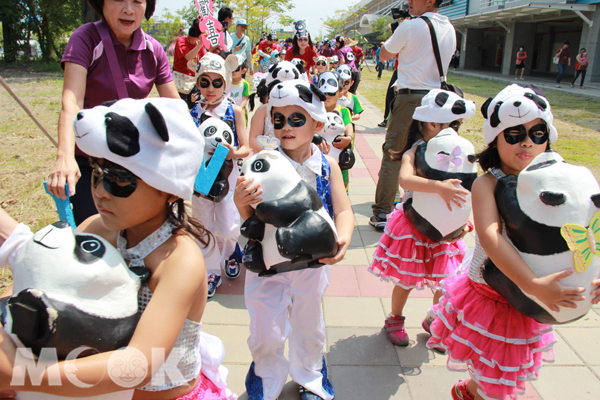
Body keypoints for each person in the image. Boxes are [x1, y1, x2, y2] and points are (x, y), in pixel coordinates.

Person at [0, 98, 236, 399]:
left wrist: (21, 374)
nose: (99, 191)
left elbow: (138, 364)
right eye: (97, 174)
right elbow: (47, 280)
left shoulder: (179, 259)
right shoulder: (97, 228)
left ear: (167, 186)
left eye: (119, 180)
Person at [426, 84, 600, 400]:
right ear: (495, 137)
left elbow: (587, 231)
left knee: (500, 370)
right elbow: (490, 238)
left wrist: (591, 278)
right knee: (498, 379)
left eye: (537, 134)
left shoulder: (557, 181)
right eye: (515, 133)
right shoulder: (487, 183)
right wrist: (531, 283)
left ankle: (470, 391)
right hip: (493, 295)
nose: (527, 142)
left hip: (535, 296)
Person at [234, 78, 354, 400]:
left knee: (309, 327)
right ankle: (265, 379)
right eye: (279, 119)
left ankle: (311, 377)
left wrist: (342, 239)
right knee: (265, 332)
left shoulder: (326, 165)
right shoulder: (263, 164)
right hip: (268, 265)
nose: (286, 127)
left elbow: (343, 210)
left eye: (296, 118)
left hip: (313, 266)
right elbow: (249, 219)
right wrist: (241, 200)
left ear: (316, 121)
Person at [48, 0, 179, 226]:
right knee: (96, 237)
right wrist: (65, 158)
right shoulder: (85, 38)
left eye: (137, 1)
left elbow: (176, 110)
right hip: (91, 163)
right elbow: (71, 101)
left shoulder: (154, 49)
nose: (129, 9)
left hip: (135, 162)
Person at [369, 89, 474, 347]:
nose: (450, 132)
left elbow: (470, 188)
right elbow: (404, 179)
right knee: (405, 278)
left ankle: (435, 320)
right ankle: (395, 318)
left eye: (454, 126)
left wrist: (464, 219)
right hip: (413, 225)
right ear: (429, 123)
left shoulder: (461, 152)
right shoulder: (414, 151)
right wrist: (439, 187)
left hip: (446, 230)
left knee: (442, 282)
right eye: (444, 125)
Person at [370, 0, 456, 229]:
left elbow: (384, 55)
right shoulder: (449, 27)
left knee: (395, 153)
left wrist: (395, 35)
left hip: (411, 98)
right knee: (428, 153)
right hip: (437, 101)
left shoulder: (411, 25)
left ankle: (382, 213)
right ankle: (423, 209)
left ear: (430, 1)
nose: (409, 1)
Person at [190, 53, 250, 297]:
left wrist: (232, 153)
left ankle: (232, 251)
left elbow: (246, 148)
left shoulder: (234, 111)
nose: (211, 89)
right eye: (204, 82)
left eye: (217, 82)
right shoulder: (192, 111)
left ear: (226, 83)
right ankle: (211, 270)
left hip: (226, 173)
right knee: (204, 224)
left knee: (228, 224)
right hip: (201, 175)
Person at [318, 70, 354, 192]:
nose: (327, 96)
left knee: (340, 187)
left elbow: (349, 125)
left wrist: (348, 137)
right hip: (319, 156)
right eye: (324, 93)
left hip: (339, 155)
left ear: (340, 93)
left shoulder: (343, 111)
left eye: (331, 93)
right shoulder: (316, 111)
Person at [173, 17, 205, 109]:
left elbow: (203, 59)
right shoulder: (181, 41)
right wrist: (200, 44)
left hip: (193, 81)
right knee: (181, 107)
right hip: (180, 81)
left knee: (194, 107)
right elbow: (188, 57)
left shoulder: (199, 44)